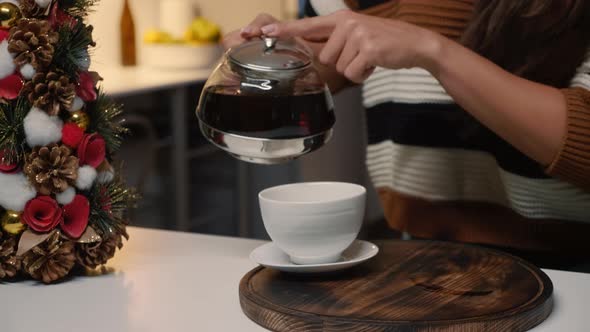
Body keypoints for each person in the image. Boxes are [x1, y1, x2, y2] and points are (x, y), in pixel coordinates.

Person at [223, 0, 590, 271]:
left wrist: (433, 52)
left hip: (567, 264)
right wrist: (287, 55)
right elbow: (335, 57)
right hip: (417, 253)